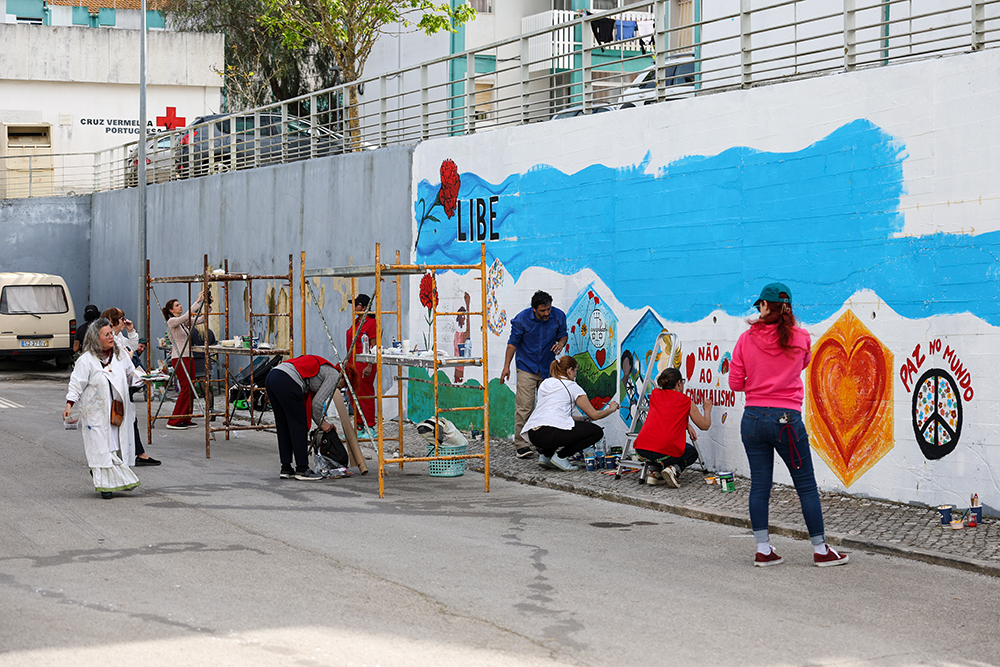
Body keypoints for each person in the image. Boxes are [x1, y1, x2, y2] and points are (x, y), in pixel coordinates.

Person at [729, 283, 849, 568]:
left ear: (766, 306)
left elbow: (735, 384)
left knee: (759, 485)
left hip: (754, 419)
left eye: (760, 305)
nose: (758, 309)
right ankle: (820, 550)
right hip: (787, 420)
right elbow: (801, 364)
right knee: (805, 485)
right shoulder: (802, 337)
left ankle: (763, 549)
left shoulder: (745, 340)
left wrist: (757, 382)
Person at [63, 318, 141, 499]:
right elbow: (76, 384)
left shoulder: (120, 355)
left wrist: (143, 378)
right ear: (96, 338)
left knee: (114, 447)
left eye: (111, 333)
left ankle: (115, 480)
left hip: (117, 412)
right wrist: (69, 404)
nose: (111, 337)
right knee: (101, 450)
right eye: (106, 335)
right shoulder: (86, 360)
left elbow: (131, 374)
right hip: (96, 414)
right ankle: (104, 485)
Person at [500, 290, 568, 459]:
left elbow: (563, 336)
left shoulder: (558, 316)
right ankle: (522, 445)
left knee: (549, 407)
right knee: (525, 406)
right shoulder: (521, 319)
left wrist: (560, 343)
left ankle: (544, 443)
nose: (546, 313)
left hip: (548, 368)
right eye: (542, 310)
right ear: (534, 309)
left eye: (548, 309)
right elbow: (512, 344)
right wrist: (506, 367)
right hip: (526, 367)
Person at [521, 355, 619, 471]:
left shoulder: (546, 383)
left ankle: (546, 456)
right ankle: (561, 456)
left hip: (534, 433)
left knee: (561, 426)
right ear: (569, 370)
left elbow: (555, 414)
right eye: (575, 371)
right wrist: (611, 409)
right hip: (549, 434)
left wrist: (581, 419)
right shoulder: (573, 387)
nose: (576, 375)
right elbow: (594, 415)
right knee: (596, 432)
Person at [265, 354, 343, 481]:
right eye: (343, 386)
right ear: (345, 378)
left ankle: (286, 468)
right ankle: (302, 469)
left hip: (273, 376)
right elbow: (316, 405)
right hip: (287, 380)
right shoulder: (335, 376)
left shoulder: (325, 367)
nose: (340, 389)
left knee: (283, 424)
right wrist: (322, 423)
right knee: (298, 425)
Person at [633, 368, 712, 488]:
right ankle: (673, 470)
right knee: (690, 452)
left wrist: (687, 424)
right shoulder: (686, 401)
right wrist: (707, 409)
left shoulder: (655, 394)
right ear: (679, 383)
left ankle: (654, 473)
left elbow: (667, 415)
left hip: (642, 449)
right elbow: (704, 425)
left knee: (658, 448)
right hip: (664, 451)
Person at [105, 307, 162, 466]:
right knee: (118, 418)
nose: (125, 321)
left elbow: (132, 348)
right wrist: (127, 357)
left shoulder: (119, 336)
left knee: (130, 418)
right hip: (116, 384)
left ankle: (138, 453)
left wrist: (131, 332)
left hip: (126, 381)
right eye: (122, 318)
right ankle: (115, 455)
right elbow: (117, 358)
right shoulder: (109, 338)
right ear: (112, 320)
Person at [162, 292, 206, 430]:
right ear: (171, 310)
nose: (180, 306)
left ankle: (186, 417)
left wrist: (207, 304)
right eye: (177, 305)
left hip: (189, 356)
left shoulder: (183, 324)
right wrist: (197, 301)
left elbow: (201, 319)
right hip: (179, 358)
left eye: (179, 304)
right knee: (186, 387)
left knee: (191, 387)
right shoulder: (172, 322)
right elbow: (187, 316)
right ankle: (174, 420)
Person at [345, 294, 377, 432]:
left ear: (364, 307)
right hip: (353, 364)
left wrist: (370, 364)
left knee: (365, 394)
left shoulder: (371, 323)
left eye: (357, 304)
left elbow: (374, 346)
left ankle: (369, 425)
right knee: (354, 393)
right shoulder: (358, 321)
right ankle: (359, 424)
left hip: (364, 365)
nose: (354, 307)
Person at [453, 292, 471, 383]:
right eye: (462, 316)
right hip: (458, 365)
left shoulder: (461, 335)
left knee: (458, 381)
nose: (464, 318)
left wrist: (468, 305)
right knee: (457, 381)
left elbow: (468, 329)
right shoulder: (458, 334)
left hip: (460, 365)